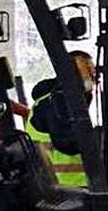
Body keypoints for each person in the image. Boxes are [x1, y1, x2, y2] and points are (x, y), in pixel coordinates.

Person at [24, 50, 96, 187]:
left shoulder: (64, 101)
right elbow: (68, 143)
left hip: (68, 186)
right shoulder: (56, 102)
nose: (93, 76)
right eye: (87, 71)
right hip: (66, 187)